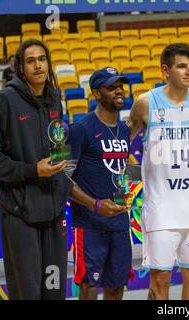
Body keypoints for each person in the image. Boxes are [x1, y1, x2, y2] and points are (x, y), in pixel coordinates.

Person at [0, 40, 126, 300]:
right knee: (29, 294)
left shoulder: (54, 102)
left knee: (54, 291)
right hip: (20, 214)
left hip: (54, 215)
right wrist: (31, 170)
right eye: (31, 60)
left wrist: (87, 201)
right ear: (21, 68)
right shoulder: (4, 101)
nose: (38, 65)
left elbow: (59, 160)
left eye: (42, 59)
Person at [127, 43, 189, 300]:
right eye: (181, 66)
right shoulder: (145, 102)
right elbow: (122, 144)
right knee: (160, 280)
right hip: (161, 210)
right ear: (166, 70)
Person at [67, 67, 132, 300]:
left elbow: (120, 172)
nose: (118, 91)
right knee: (90, 288)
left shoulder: (124, 131)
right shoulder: (79, 129)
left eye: (120, 86)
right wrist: (95, 205)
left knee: (116, 287)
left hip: (119, 224)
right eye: (111, 87)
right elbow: (62, 179)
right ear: (96, 93)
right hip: (90, 225)